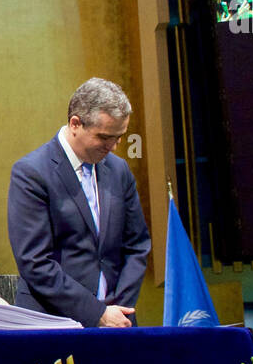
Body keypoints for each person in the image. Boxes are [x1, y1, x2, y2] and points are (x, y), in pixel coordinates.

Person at [8, 77, 151, 328]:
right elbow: (35, 262)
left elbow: (137, 246)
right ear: (75, 123)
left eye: (120, 137)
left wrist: (118, 310)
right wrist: (97, 313)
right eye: (105, 137)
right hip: (52, 323)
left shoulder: (119, 170)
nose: (115, 146)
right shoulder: (31, 173)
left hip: (118, 324)